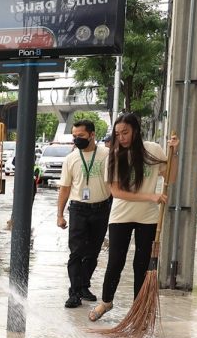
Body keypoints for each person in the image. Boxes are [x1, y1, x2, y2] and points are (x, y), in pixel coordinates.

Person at [89, 115, 174, 322]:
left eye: (125, 132)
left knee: (142, 264)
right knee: (115, 261)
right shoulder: (115, 155)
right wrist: (151, 196)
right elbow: (117, 192)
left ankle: (140, 308)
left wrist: (175, 153)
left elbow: (170, 177)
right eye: (118, 134)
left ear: (135, 130)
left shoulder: (153, 149)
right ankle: (107, 301)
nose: (122, 137)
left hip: (148, 217)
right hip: (121, 215)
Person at [56, 119, 111, 308]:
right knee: (76, 252)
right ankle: (74, 292)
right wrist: (60, 214)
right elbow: (64, 188)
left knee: (93, 253)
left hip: (101, 208)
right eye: (74, 136)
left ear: (92, 135)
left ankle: (83, 286)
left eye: (81, 136)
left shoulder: (107, 155)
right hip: (79, 209)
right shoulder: (71, 158)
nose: (77, 139)